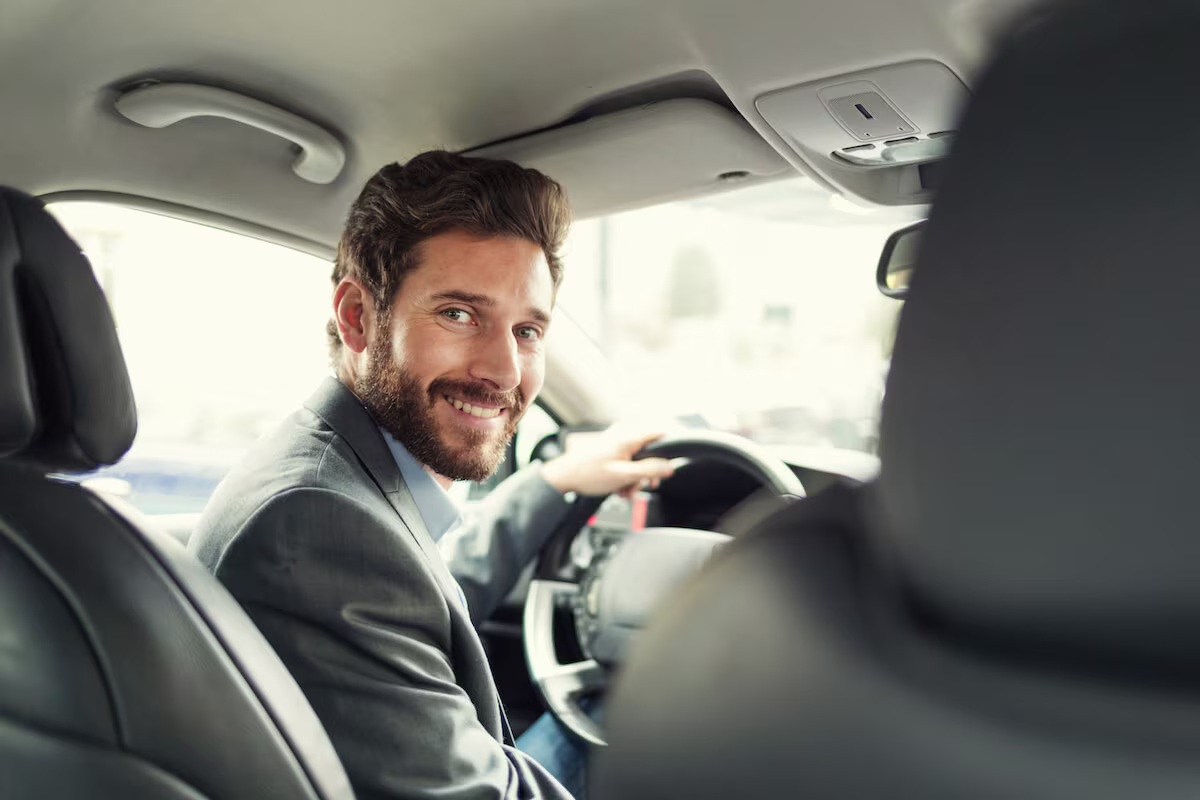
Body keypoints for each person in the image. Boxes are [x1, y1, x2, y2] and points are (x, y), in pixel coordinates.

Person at [189, 150, 673, 800]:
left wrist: (552, 482)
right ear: (358, 317)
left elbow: (423, 594)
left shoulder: (335, 481)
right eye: (459, 315)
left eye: (528, 330)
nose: (504, 371)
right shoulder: (311, 527)